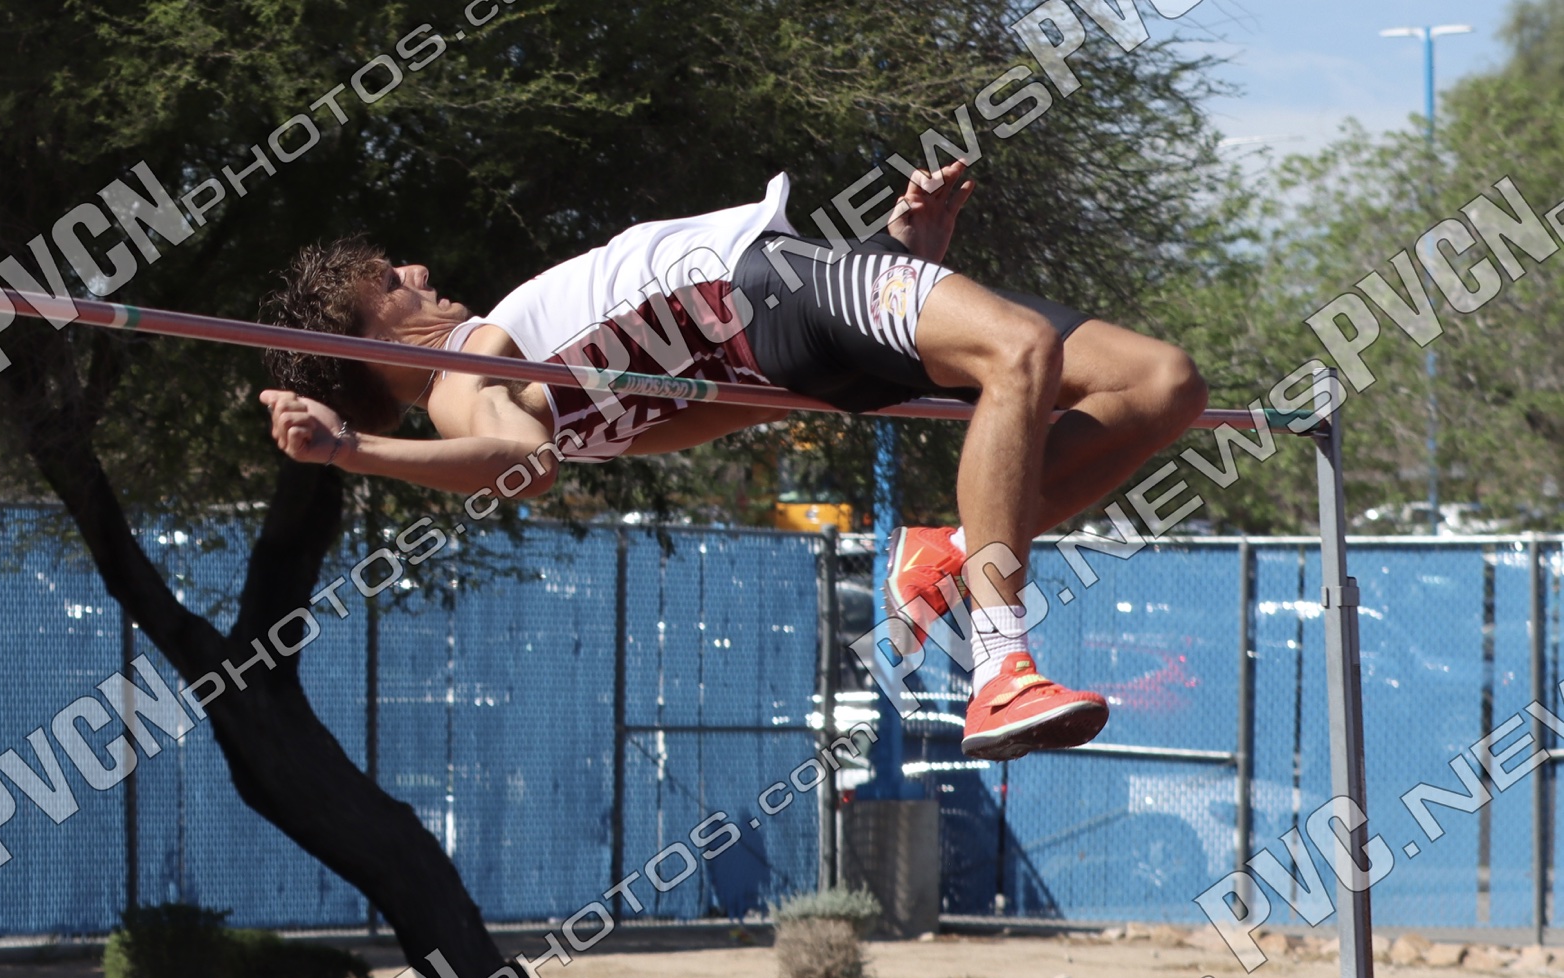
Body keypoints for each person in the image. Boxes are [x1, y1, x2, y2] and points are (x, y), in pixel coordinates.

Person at [258, 161, 1208, 759]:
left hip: (795, 315)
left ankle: (949, 555)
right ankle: (1000, 667)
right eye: (389, 284)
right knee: (1022, 350)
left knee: (1163, 383)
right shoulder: (465, 371)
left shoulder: (535, 385)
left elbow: (726, 400)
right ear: (367, 344)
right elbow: (525, 464)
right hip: (778, 288)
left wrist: (888, 266)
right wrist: (351, 450)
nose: (417, 272)